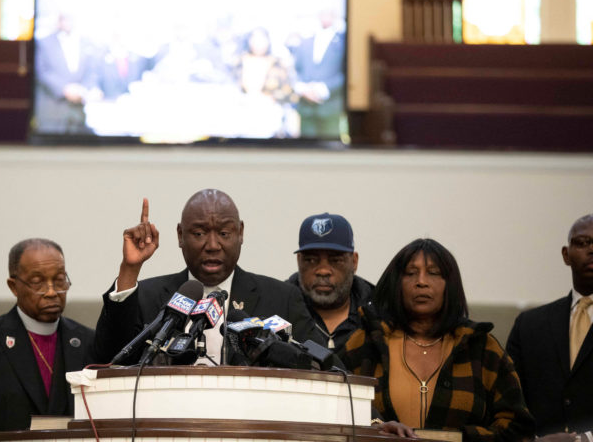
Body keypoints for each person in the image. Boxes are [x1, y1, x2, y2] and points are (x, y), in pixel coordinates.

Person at [339, 238, 534, 441]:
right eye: (410, 273)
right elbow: (332, 414)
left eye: (433, 273)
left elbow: (518, 428)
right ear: (396, 282)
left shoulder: (482, 347)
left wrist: (456, 438)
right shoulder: (365, 343)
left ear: (450, 284)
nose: (421, 281)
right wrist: (376, 427)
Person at [99, 189, 316, 365]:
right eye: (199, 234)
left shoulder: (283, 299)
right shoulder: (148, 297)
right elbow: (107, 359)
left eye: (223, 234)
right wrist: (130, 269)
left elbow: (320, 367)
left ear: (240, 233)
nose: (212, 246)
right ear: (180, 235)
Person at [0, 238, 104, 437]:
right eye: (38, 282)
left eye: (59, 280)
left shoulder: (87, 340)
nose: (52, 292)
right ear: (14, 286)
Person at [507, 214, 593, 438]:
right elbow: (507, 401)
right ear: (566, 255)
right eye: (583, 243)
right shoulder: (529, 325)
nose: (591, 250)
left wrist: (584, 439)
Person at [286, 213, 374, 350]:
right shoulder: (279, 307)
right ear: (299, 261)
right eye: (311, 260)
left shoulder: (378, 312)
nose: (323, 271)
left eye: (336, 260)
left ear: (354, 262)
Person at [34, 13, 103, 134]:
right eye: (63, 18)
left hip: (79, 113)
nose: (66, 22)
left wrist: (90, 89)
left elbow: (91, 72)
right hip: (52, 110)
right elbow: (41, 72)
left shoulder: (86, 42)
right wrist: (64, 89)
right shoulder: (43, 43)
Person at [292, 7, 347, 139]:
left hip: (330, 107)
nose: (325, 17)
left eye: (329, 14)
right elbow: (295, 70)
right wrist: (303, 89)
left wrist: (323, 89)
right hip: (306, 108)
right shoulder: (305, 42)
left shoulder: (343, 42)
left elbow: (346, 72)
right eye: (323, 14)